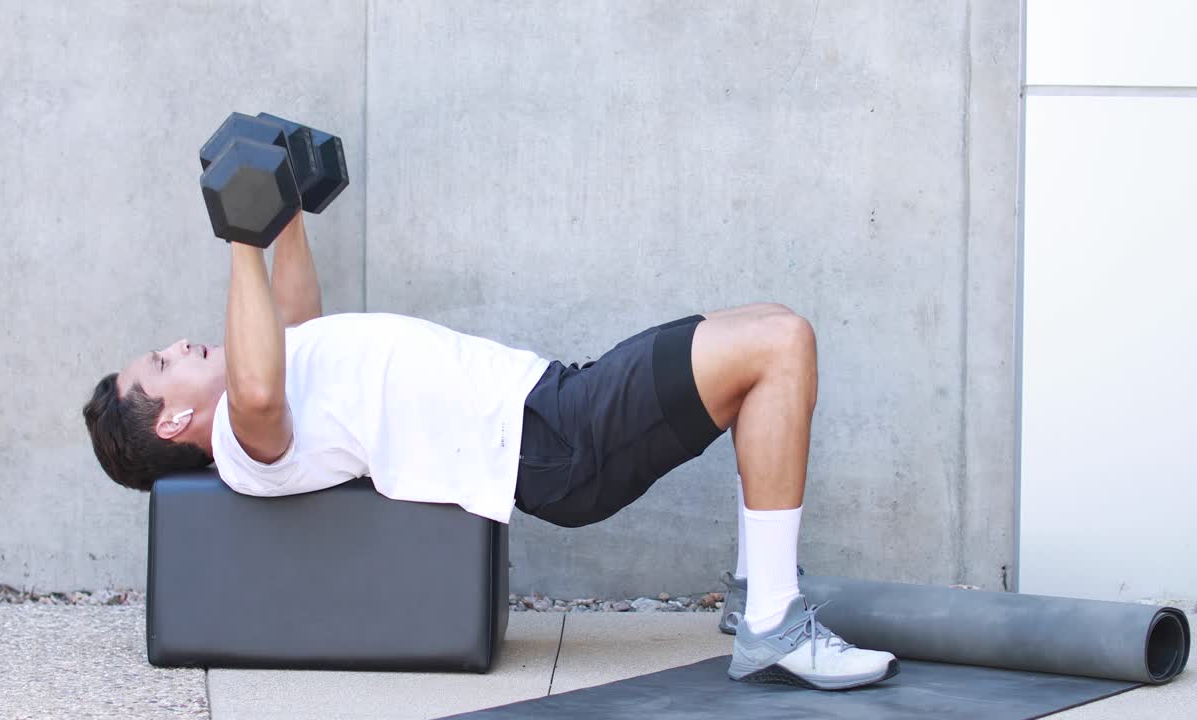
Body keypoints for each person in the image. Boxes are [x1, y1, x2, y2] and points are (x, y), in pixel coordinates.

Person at [82, 212, 898, 690]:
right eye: (162, 364)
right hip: (550, 440)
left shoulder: (274, 383)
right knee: (780, 342)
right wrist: (237, 236)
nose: (180, 344)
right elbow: (258, 386)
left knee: (761, 321)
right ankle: (771, 625)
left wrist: (284, 212)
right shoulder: (242, 441)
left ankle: (758, 589)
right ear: (169, 425)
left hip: (546, 404)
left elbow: (291, 321)